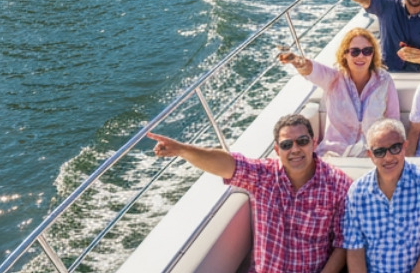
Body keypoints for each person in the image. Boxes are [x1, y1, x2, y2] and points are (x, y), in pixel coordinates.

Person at [149, 114, 349, 273]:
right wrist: (182, 150)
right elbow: (227, 164)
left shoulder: (338, 185)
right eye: (287, 145)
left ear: (313, 143)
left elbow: (343, 244)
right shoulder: (263, 176)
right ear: (277, 150)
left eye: (302, 141)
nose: (295, 149)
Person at [343, 118, 420, 273]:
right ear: (370, 155)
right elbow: (355, 250)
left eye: (395, 148)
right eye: (379, 151)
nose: (388, 157)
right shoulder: (357, 192)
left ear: (405, 146)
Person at [278, 28, 400, 158]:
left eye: (367, 51)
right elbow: (313, 70)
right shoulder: (333, 78)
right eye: (355, 52)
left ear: (373, 54)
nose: (361, 56)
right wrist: (296, 61)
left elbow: (393, 121)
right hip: (335, 154)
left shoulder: (384, 80)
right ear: (345, 54)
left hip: (372, 154)